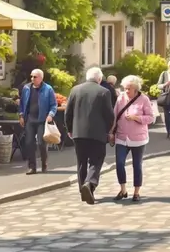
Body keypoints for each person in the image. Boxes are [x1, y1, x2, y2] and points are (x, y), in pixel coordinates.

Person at [65, 68, 115, 204]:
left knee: (81, 162)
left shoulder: (75, 90)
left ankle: (84, 190)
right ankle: (90, 183)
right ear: (99, 79)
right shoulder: (104, 92)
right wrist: (109, 129)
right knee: (97, 160)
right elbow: (110, 115)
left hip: (78, 133)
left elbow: (68, 112)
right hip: (97, 133)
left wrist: (70, 129)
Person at [111, 75, 154, 202]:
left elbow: (151, 118)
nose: (126, 91)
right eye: (125, 88)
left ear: (136, 89)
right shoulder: (120, 98)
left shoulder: (144, 99)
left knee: (137, 165)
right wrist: (111, 132)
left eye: (129, 88)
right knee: (119, 163)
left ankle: (136, 192)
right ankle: (123, 189)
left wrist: (137, 118)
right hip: (121, 136)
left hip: (138, 138)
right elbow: (115, 116)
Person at [19, 68, 57, 175]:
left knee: (41, 143)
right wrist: (21, 115)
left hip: (42, 120)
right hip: (30, 119)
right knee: (29, 143)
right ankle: (32, 167)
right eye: (31, 76)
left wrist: (50, 115)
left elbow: (53, 105)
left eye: (34, 77)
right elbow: (22, 104)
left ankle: (44, 163)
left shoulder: (48, 89)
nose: (32, 79)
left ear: (41, 78)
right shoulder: (26, 88)